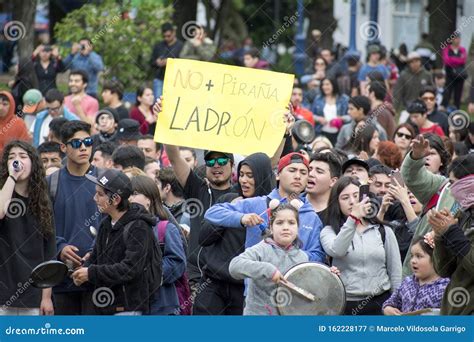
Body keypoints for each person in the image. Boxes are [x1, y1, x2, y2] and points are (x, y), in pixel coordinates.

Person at [205, 152, 325, 263]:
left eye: (303, 173)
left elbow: (319, 256)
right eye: (292, 170)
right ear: (277, 175)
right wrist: (241, 218)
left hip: (293, 284)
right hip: (257, 283)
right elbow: (212, 213)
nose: (298, 176)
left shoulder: (312, 217)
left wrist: (292, 255)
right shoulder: (256, 204)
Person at [194, 153, 274, 315]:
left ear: (262, 177)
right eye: (242, 175)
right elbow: (204, 238)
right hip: (214, 285)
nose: (244, 180)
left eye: (250, 176)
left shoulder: (271, 207)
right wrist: (234, 215)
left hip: (246, 290)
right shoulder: (229, 200)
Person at [72, 169, 158, 315]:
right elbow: (96, 258)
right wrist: (81, 271)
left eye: (100, 194)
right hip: (101, 306)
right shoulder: (105, 224)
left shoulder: (139, 226)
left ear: (116, 199)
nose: (95, 198)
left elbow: (130, 268)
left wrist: (91, 273)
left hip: (127, 308)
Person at [321, 176, 402, 315]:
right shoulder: (329, 231)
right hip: (345, 303)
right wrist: (353, 219)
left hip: (381, 302)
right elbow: (338, 250)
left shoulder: (383, 231)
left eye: (356, 196)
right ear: (337, 203)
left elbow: (395, 271)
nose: (352, 201)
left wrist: (396, 302)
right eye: (345, 197)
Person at [48, 121, 100, 315]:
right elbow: (41, 228)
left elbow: (116, 224)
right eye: (76, 143)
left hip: (98, 277)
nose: (84, 147)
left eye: (88, 141)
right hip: (61, 279)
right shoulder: (51, 183)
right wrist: (60, 247)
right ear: (63, 147)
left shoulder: (106, 180)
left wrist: (96, 250)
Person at [0, 140, 55, 315]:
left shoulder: (43, 202)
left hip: (33, 293)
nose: (17, 160)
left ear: (33, 163)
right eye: (12, 157)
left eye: (23, 156)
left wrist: (46, 297)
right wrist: (11, 177)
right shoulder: (3, 193)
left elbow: (49, 252)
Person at [229, 203, 309, 315]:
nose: (285, 227)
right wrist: (268, 270)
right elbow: (234, 266)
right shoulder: (261, 249)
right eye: (279, 223)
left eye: (291, 223)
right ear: (271, 228)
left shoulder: (303, 257)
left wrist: (330, 275)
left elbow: (309, 287)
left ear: (297, 228)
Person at [399, 134, 457, 278]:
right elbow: (411, 177)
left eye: (432, 153)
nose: (427, 157)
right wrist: (416, 157)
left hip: (454, 284)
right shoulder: (443, 186)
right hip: (416, 281)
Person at [129, 175, 187, 315]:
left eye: (135, 193)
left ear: (149, 198)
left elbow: (177, 262)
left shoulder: (165, 228)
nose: (130, 198)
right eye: (128, 194)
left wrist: (149, 275)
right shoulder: (124, 227)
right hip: (131, 304)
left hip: (162, 303)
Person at [430, 154, 474, 315]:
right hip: (453, 311)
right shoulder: (463, 215)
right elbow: (444, 270)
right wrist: (441, 235)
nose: (453, 192)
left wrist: (452, 233)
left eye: (455, 184)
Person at [382, 237, 449, 315]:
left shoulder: (445, 287)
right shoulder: (407, 282)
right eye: (412, 256)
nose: (413, 261)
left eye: (419, 256)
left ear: (435, 258)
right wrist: (387, 308)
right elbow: (391, 302)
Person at [305, 152, 341, 226]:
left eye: (319, 171)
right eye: (309, 169)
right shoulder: (293, 202)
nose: (311, 174)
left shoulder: (340, 210)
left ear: (333, 181)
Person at [150, 23, 184, 99]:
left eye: (168, 36)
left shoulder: (181, 46)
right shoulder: (158, 45)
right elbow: (151, 62)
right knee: (158, 102)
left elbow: (184, 63)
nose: (166, 38)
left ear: (174, 32)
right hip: (160, 78)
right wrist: (157, 62)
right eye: (164, 36)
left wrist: (170, 62)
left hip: (175, 80)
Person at [312, 78, 349, 144]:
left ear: (333, 85)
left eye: (327, 84)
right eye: (323, 85)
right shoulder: (318, 98)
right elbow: (312, 115)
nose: (324, 87)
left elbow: (350, 117)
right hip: (321, 132)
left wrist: (341, 118)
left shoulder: (344, 98)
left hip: (339, 134)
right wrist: (318, 119)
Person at [442, 34, 467, 109]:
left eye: (458, 38)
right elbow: (446, 60)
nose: (457, 40)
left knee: (458, 95)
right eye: (455, 38)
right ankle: (445, 109)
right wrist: (457, 60)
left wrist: (452, 59)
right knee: (448, 92)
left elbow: (463, 60)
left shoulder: (462, 49)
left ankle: (457, 110)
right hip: (449, 74)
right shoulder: (447, 49)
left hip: (460, 75)